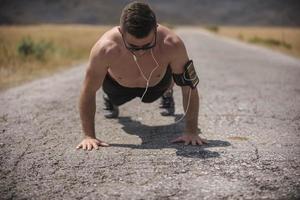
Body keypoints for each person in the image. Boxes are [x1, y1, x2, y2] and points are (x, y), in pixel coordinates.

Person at [76, 1, 208, 151]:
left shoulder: (172, 43)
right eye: (133, 46)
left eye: (147, 45)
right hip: (117, 87)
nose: (140, 52)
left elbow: (189, 87)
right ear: (121, 32)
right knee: (127, 124)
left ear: (156, 30)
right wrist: (89, 136)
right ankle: (110, 100)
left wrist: (191, 132)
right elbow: (88, 90)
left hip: (157, 85)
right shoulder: (105, 48)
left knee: (175, 76)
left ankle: (167, 92)